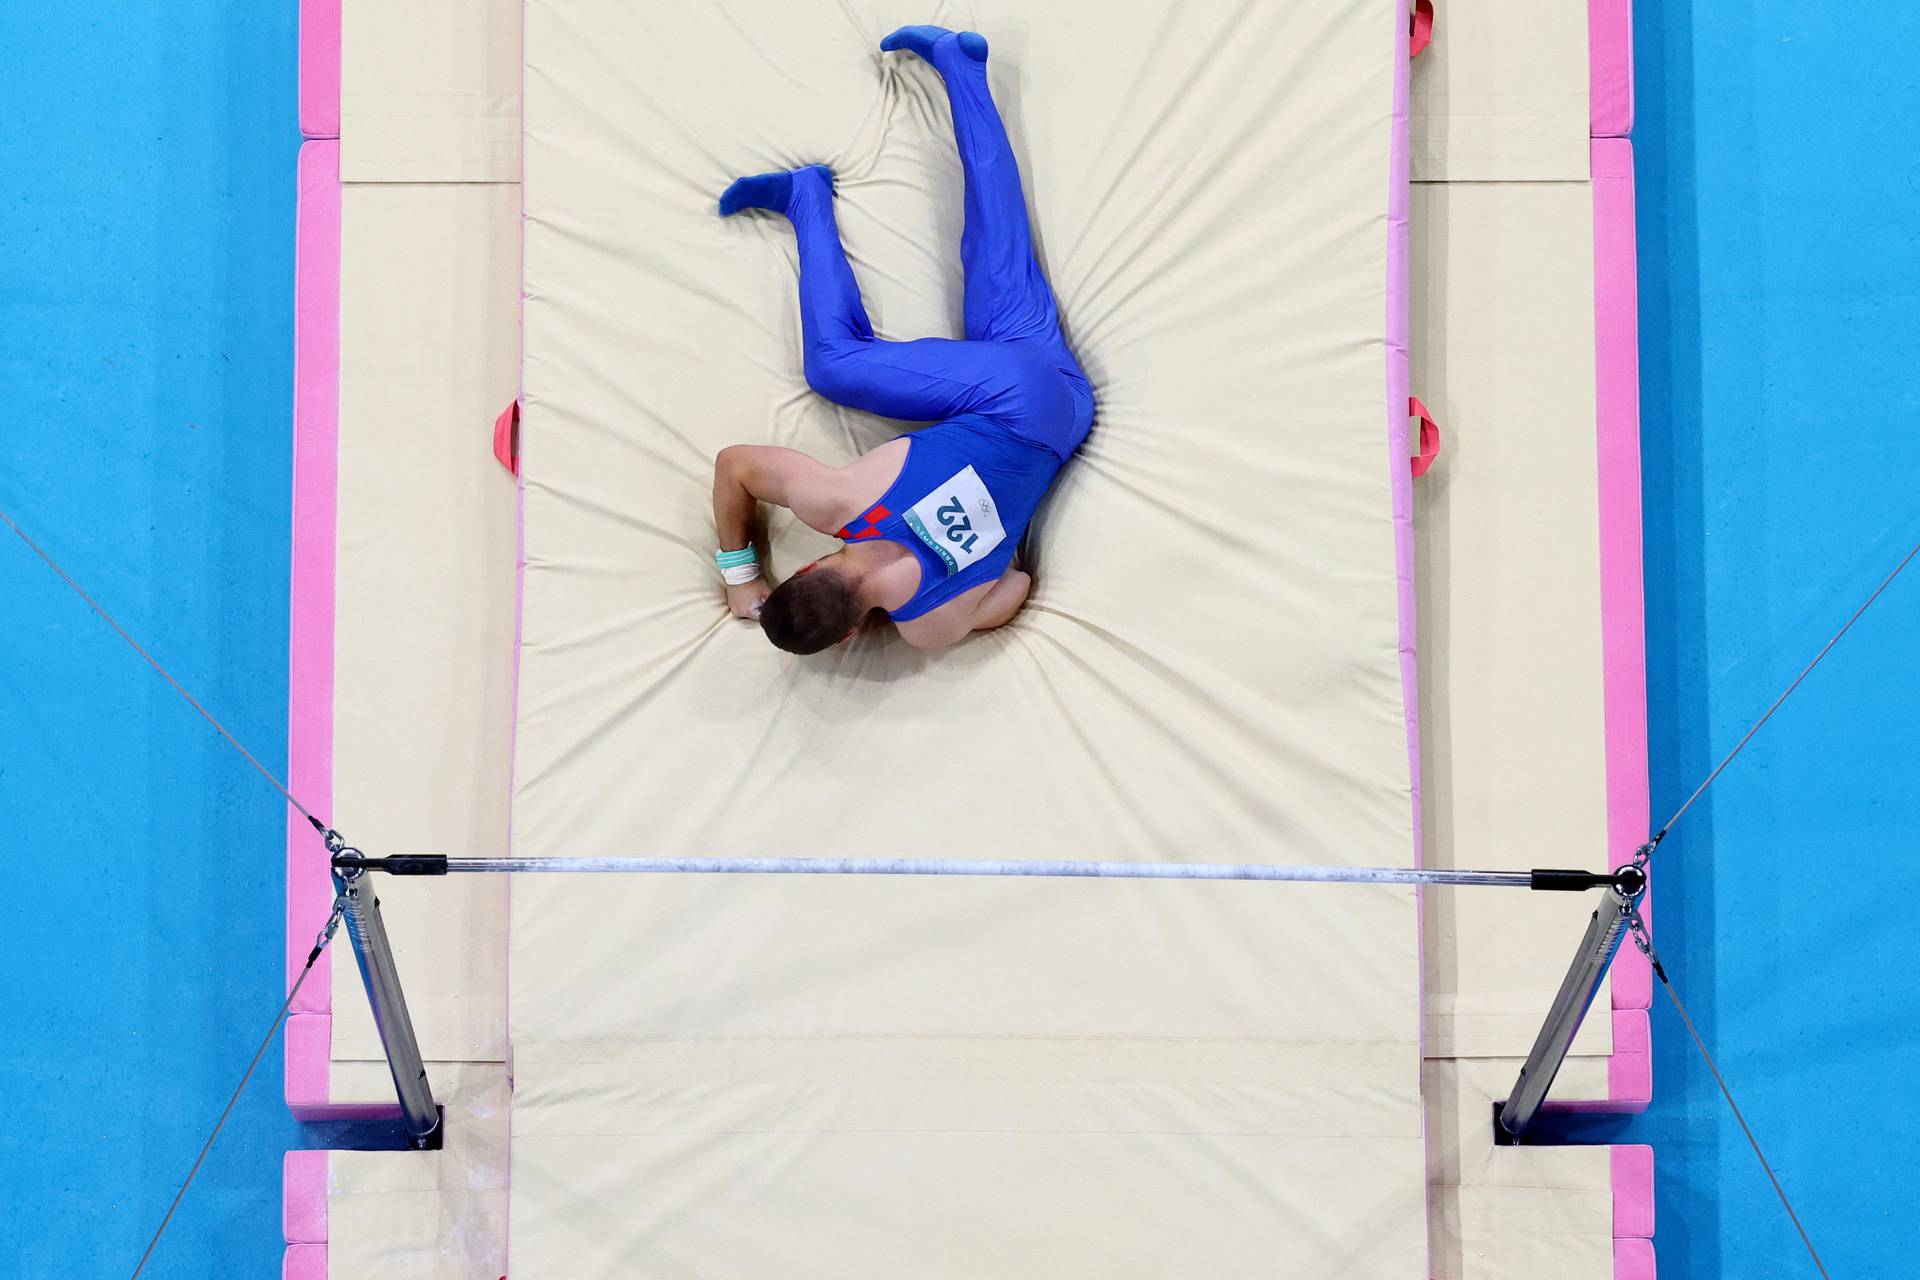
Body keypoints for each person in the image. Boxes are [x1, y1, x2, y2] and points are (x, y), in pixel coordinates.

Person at [710, 24, 1093, 653]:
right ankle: (806, 198)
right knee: (832, 366)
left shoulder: (932, 626)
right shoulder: (834, 503)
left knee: (998, 240)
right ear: (807, 567)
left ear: (853, 632)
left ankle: (962, 67)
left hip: (1066, 415)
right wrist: (740, 575)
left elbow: (1017, 584)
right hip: (1011, 394)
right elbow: (735, 466)